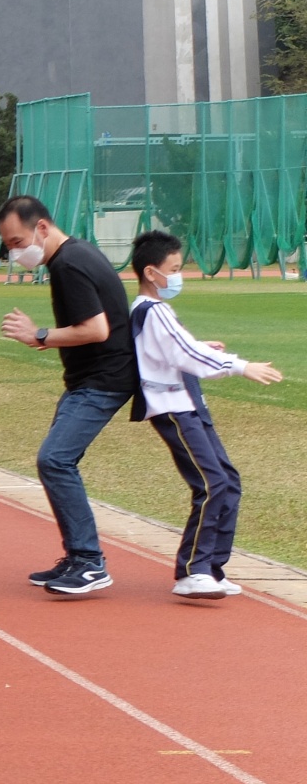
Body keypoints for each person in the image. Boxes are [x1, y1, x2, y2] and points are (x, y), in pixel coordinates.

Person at [125, 231, 284, 599]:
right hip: (173, 409)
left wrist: (202, 346)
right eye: (173, 269)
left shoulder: (154, 312)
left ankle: (211, 568)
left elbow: (176, 349)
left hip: (188, 405)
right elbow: (184, 354)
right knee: (211, 484)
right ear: (151, 272)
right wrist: (239, 365)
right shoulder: (153, 311)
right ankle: (192, 571)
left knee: (228, 481)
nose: (178, 276)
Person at [0, 194, 141, 598]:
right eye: (8, 246)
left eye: (17, 242)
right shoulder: (74, 255)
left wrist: (40, 335)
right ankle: (79, 557)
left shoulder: (69, 264)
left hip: (103, 380)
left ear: (42, 228)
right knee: (56, 461)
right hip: (90, 379)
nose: (15, 253)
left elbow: (96, 329)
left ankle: (89, 562)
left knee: (55, 460)